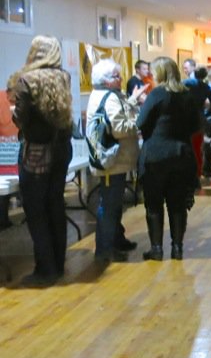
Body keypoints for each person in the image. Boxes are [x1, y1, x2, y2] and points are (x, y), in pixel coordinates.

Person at [10, 36, 74, 286]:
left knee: (35, 210)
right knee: (55, 205)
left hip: (37, 150)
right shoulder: (63, 77)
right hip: (61, 147)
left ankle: (45, 268)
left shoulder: (26, 80)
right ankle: (58, 263)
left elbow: (21, 118)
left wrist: (14, 116)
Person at [136, 57, 200, 262]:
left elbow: (140, 122)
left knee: (154, 204)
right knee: (178, 204)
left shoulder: (157, 94)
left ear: (160, 73)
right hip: (181, 153)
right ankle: (177, 248)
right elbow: (197, 124)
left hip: (156, 155)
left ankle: (156, 249)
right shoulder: (187, 95)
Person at [87, 59, 144, 262]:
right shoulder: (109, 97)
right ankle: (104, 249)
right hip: (112, 162)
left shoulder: (104, 94)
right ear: (106, 80)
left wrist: (132, 101)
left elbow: (115, 115)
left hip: (114, 160)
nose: (121, 79)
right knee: (109, 205)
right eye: (116, 76)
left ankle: (116, 239)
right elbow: (119, 129)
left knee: (114, 203)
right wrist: (139, 121)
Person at [185, 66, 211, 178]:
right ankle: (197, 173)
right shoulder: (206, 87)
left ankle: (186, 172)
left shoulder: (185, 83)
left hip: (185, 115)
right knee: (198, 146)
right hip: (199, 116)